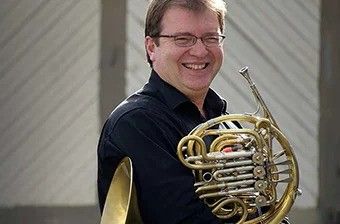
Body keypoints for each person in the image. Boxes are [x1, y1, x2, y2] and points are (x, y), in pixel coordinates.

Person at [97, 0, 290, 224]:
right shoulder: (135, 123)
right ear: (151, 48)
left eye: (211, 38)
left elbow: (265, 211)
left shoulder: (227, 125)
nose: (199, 51)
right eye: (183, 39)